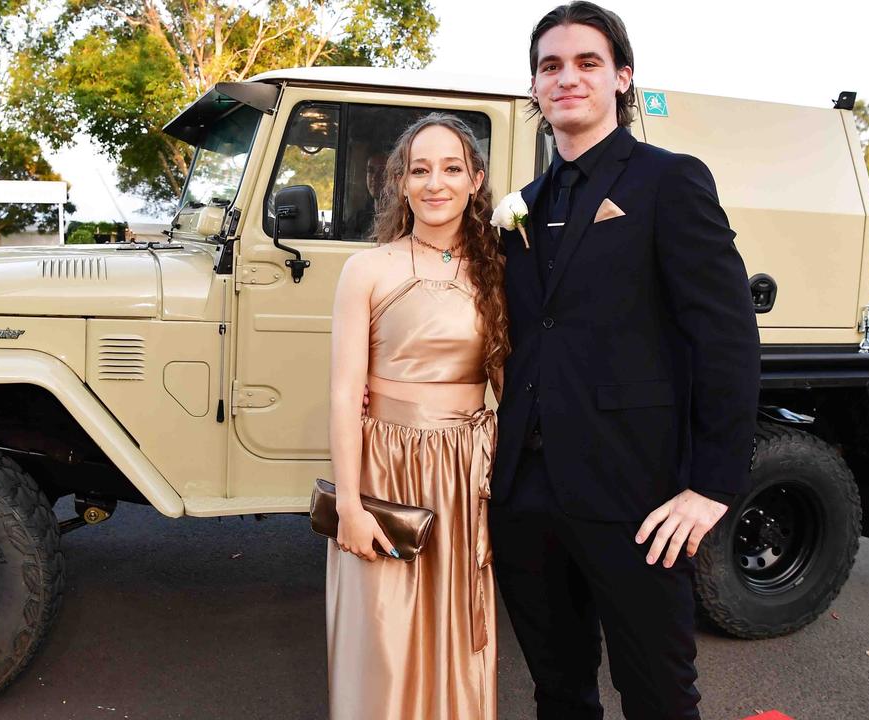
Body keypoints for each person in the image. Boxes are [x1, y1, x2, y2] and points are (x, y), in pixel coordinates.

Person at [489, 3, 760, 719]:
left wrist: (712, 485)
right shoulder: (520, 207)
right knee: (558, 690)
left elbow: (726, 338)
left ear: (622, 79)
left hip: (634, 493)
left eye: (587, 63)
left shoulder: (669, 181)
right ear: (535, 88)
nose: (567, 77)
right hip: (524, 494)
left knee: (658, 694)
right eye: (551, 66)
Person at [325, 114, 509, 720]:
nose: (436, 183)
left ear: (476, 180)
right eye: (420, 169)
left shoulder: (499, 273)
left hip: (465, 475)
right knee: (382, 634)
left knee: (455, 629)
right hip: (386, 467)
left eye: (452, 168)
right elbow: (346, 390)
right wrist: (350, 505)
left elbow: (514, 386)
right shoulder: (368, 269)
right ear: (399, 182)